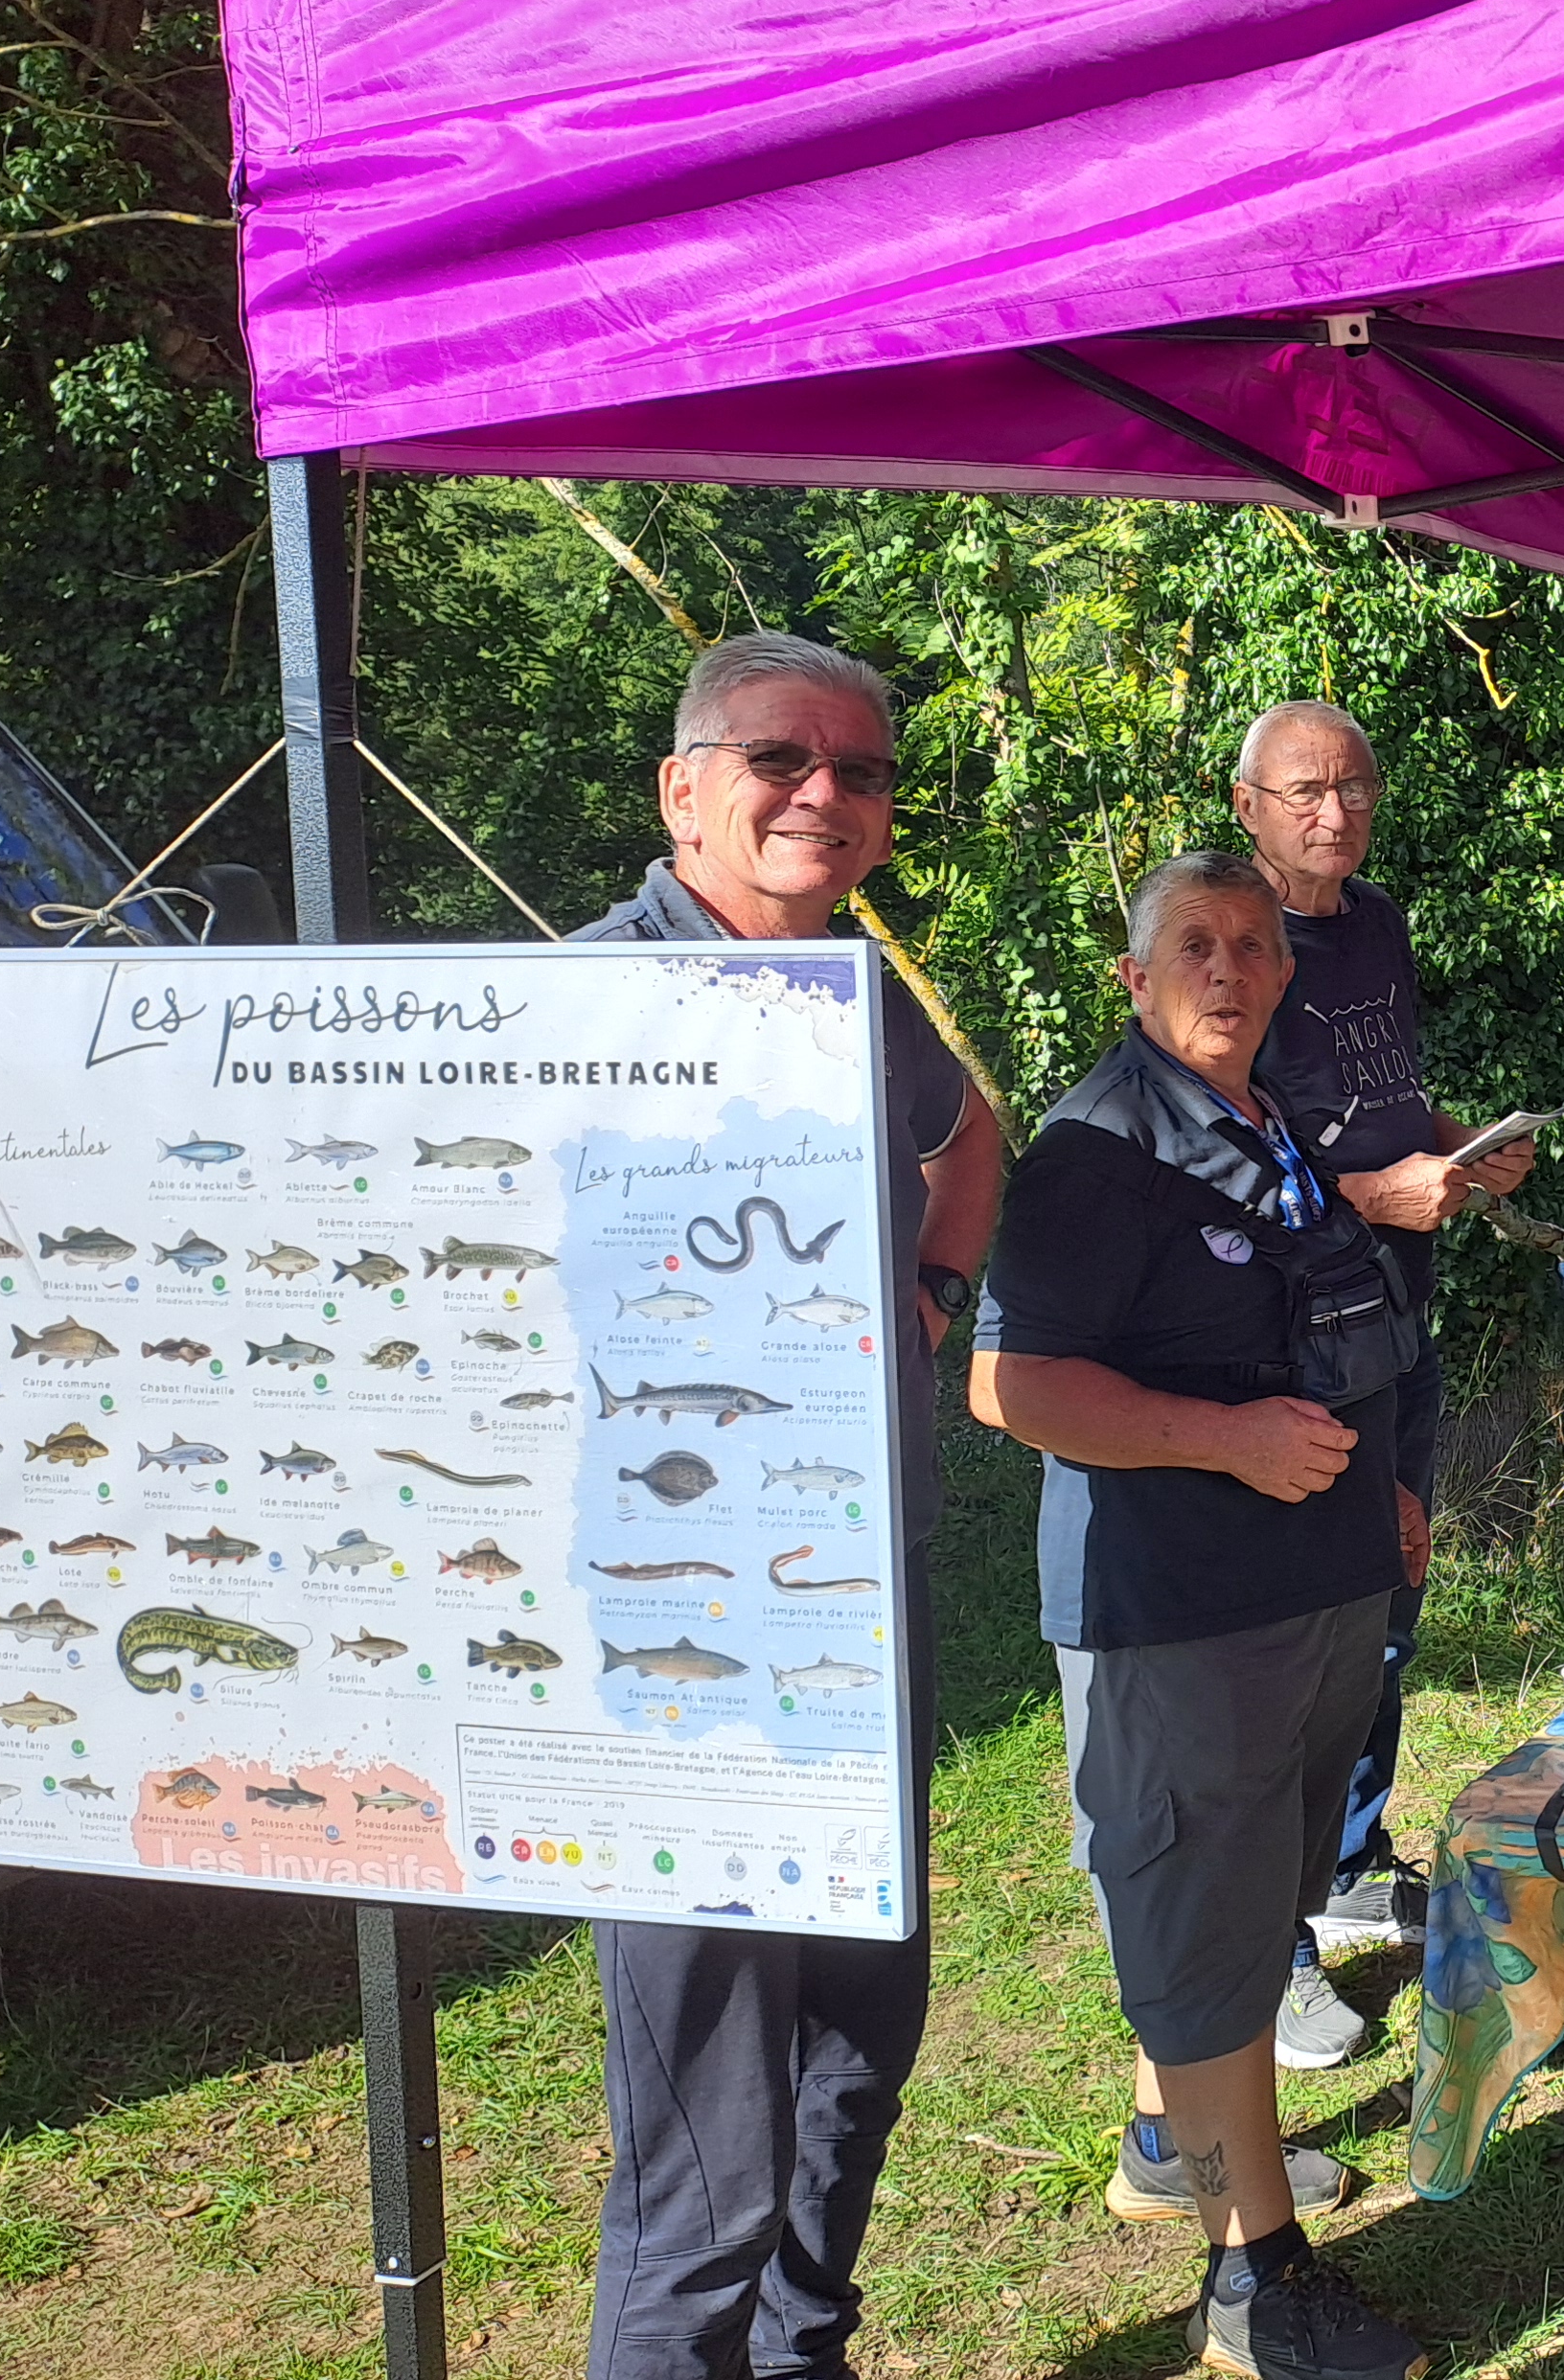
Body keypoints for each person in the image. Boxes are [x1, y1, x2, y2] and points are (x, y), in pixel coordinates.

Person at [572, 632, 1003, 2380]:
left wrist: (934, 1291)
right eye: (778, 759)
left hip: (853, 1613)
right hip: (668, 1652)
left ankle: (802, 2348)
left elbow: (968, 1132)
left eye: (864, 769)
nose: (823, 791)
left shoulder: (851, 988)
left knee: (859, 2031)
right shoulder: (583, 999)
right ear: (685, 788)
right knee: (704, 2143)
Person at [973, 852, 1430, 2380]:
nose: (1226, 969)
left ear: (1287, 972)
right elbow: (1014, 1384)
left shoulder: (1266, 1117)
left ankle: (1176, 2143)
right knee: (1207, 1917)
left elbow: (1314, 1328)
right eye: (1192, 945)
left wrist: (1381, 1501)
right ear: (1135, 976)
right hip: (1180, 1609)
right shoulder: (1100, 1149)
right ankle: (1255, 2283)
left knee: (1249, 1903)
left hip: (1311, 1586)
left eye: (1250, 943)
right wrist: (1224, 1442)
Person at [1229, 699, 1534, 2070]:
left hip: (1398, 1312)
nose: (1333, 814)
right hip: (1291, 1336)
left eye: (1355, 788)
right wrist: (1371, 1190)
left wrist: (1461, 1146)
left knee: (1389, 1606)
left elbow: (1375, 1093)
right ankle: (1269, 1951)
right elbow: (1216, 1139)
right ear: (1247, 804)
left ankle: (1349, 1868)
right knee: (1297, 1639)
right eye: (1304, 791)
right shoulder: (1228, 938)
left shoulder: (1378, 922)